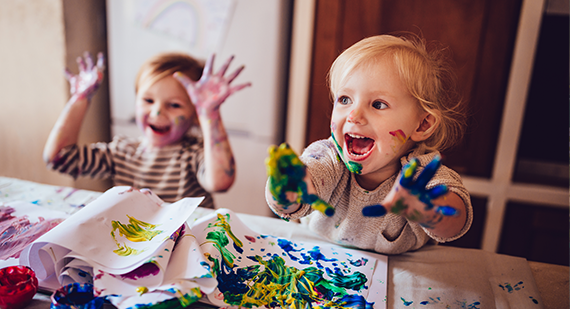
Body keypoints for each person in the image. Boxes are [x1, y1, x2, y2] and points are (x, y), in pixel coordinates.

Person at [265, 34, 473, 254]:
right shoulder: (328, 156)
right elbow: (291, 202)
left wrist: (428, 210)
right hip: (316, 259)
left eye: (378, 104)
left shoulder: (420, 175)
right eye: (345, 99)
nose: (354, 116)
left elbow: (455, 223)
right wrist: (285, 191)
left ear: (422, 125)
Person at [44, 51, 250, 208]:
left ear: (195, 114)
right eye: (148, 100)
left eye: (174, 105)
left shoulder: (193, 155)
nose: (157, 112)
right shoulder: (122, 152)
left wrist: (210, 114)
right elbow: (59, 158)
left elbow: (221, 182)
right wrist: (80, 99)